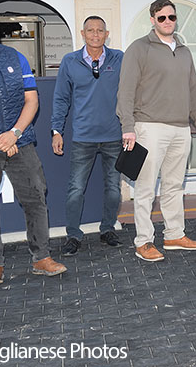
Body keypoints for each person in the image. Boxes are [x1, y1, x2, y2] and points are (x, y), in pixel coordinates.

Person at [0, 6, 67, 286]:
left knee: (35, 199)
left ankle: (42, 257)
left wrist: (15, 133)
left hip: (21, 143)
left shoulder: (15, 57)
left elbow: (32, 100)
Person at [118, 0, 196, 262]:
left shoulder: (184, 51)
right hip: (149, 127)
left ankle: (174, 235)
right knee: (146, 188)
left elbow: (193, 90)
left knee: (173, 186)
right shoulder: (139, 49)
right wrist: (128, 128)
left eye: (171, 17)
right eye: (162, 18)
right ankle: (143, 241)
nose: (168, 22)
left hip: (181, 129)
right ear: (152, 20)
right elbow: (125, 91)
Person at [51, 15, 125, 256]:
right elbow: (61, 98)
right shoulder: (70, 61)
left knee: (113, 188)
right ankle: (73, 235)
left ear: (106, 34)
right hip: (83, 137)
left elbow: (132, 93)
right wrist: (56, 131)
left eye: (100, 30)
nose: (95, 34)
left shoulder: (119, 59)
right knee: (76, 189)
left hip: (114, 135)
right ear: (82, 34)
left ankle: (107, 229)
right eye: (90, 30)